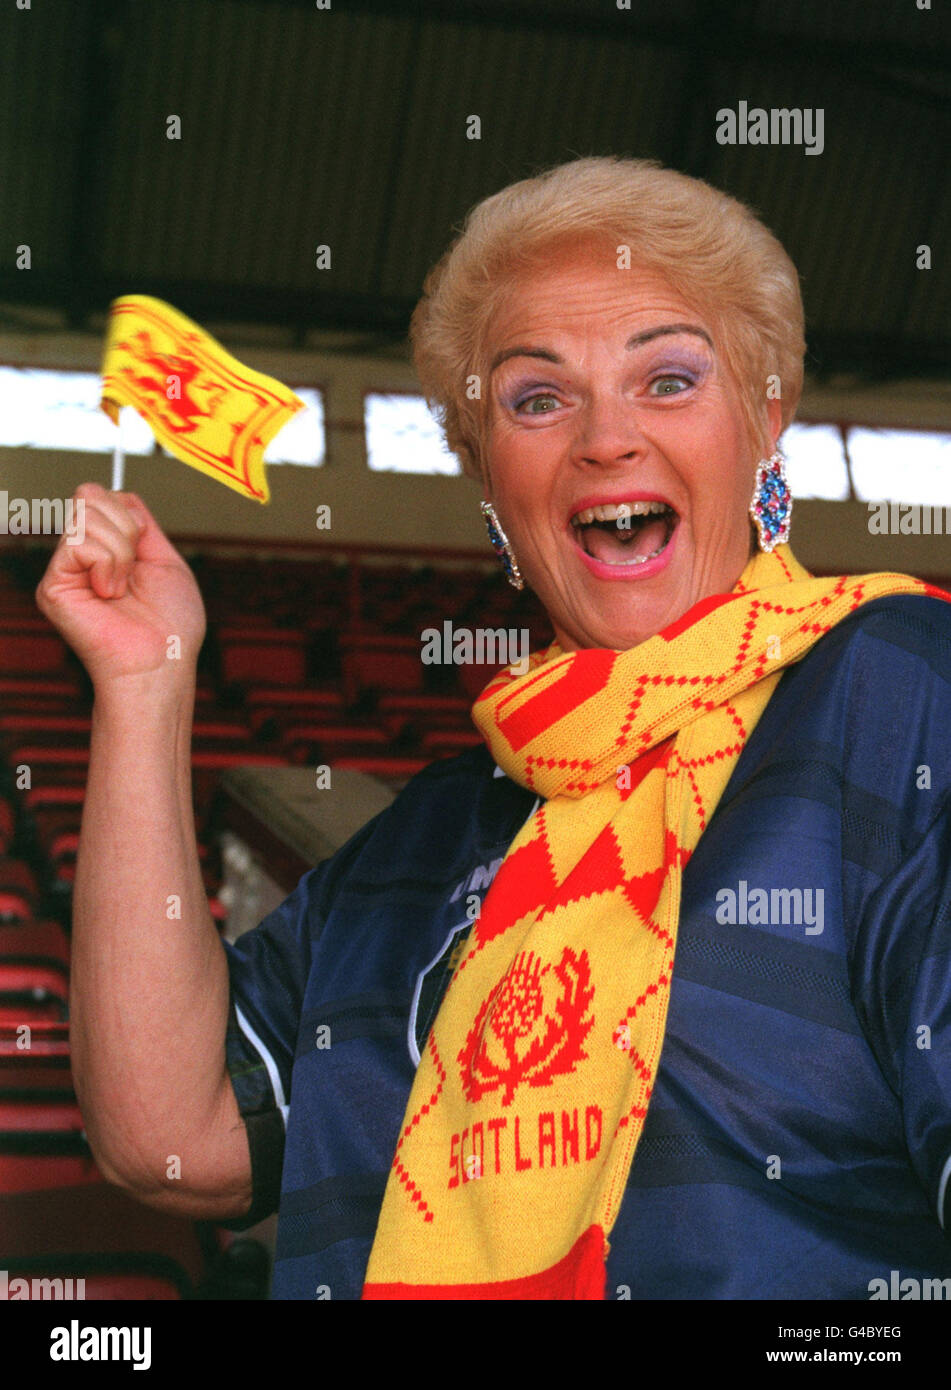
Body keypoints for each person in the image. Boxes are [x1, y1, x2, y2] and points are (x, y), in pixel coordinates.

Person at [37, 157, 951, 1301]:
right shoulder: (430, 832)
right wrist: (145, 684)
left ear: (765, 422)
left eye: (668, 378)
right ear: (486, 477)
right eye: (536, 398)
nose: (605, 438)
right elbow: (169, 1140)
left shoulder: (894, 689)